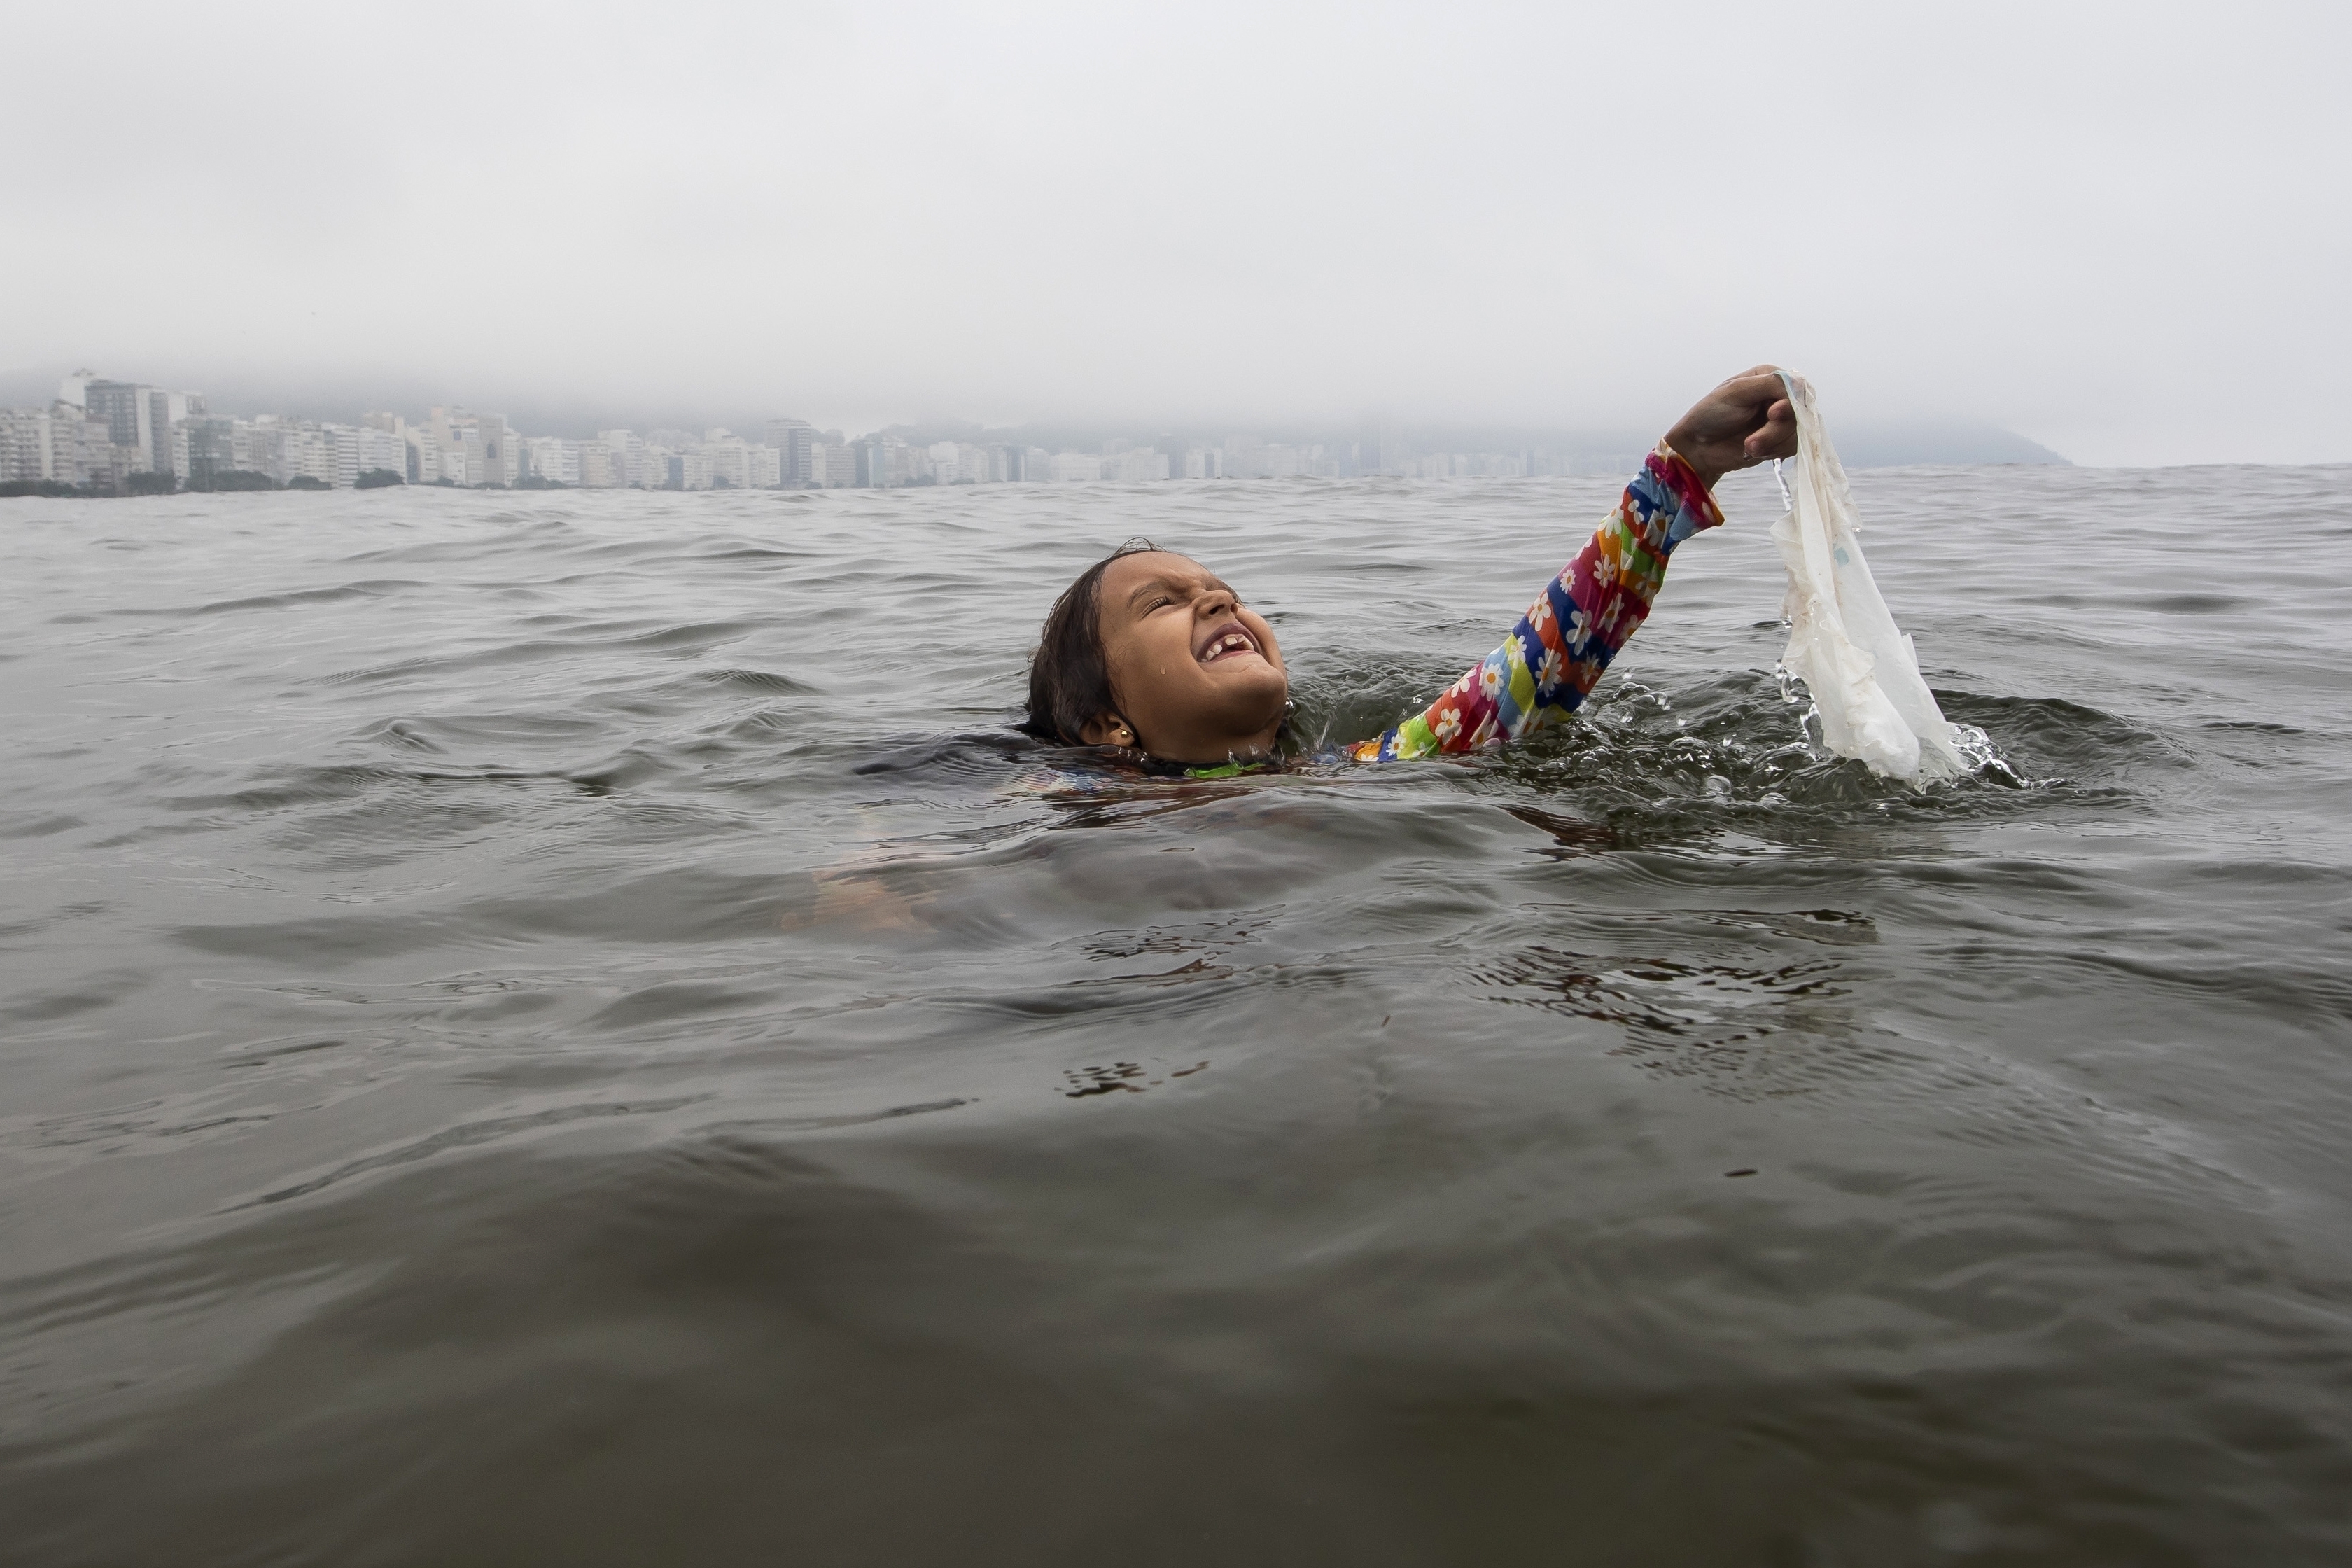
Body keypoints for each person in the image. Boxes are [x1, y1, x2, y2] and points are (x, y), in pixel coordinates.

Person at [1022, 368, 1800, 774]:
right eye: (1163, 601)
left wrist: (1675, 478)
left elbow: (1529, 672)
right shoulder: (1073, 803)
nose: (1219, 597)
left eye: (1223, 590)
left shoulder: (1358, 769)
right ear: (1107, 726)